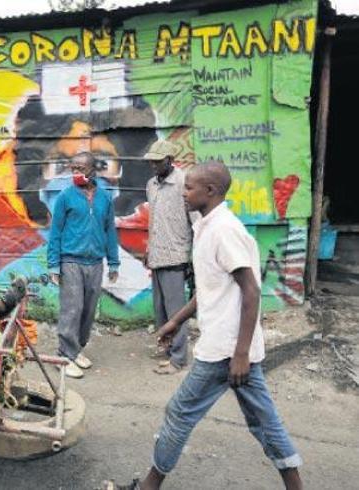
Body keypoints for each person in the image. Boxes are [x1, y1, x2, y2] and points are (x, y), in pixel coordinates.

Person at [137, 162, 302, 490]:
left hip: (224, 351)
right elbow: (210, 289)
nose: (183, 193)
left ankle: (149, 486)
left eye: (189, 188)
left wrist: (240, 354)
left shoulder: (223, 230)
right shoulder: (206, 226)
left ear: (209, 192)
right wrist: (175, 321)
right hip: (233, 348)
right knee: (264, 423)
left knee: (179, 412)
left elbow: (251, 290)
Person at [47, 152, 120, 379]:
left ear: (92, 170)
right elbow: (55, 232)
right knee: (73, 308)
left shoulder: (105, 198)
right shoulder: (65, 197)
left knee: (88, 311)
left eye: (81, 168)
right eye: (73, 168)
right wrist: (53, 266)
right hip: (71, 260)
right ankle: (64, 356)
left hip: (95, 262)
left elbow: (109, 231)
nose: (76, 173)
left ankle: (76, 348)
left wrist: (114, 262)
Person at [143, 140, 193, 375]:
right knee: (160, 309)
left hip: (176, 254)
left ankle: (179, 359)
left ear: (170, 160)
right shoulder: (151, 184)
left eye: (157, 161)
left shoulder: (183, 182)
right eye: (151, 161)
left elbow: (195, 221)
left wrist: (192, 257)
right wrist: (148, 250)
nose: (153, 165)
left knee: (176, 312)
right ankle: (168, 347)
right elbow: (154, 220)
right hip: (157, 254)